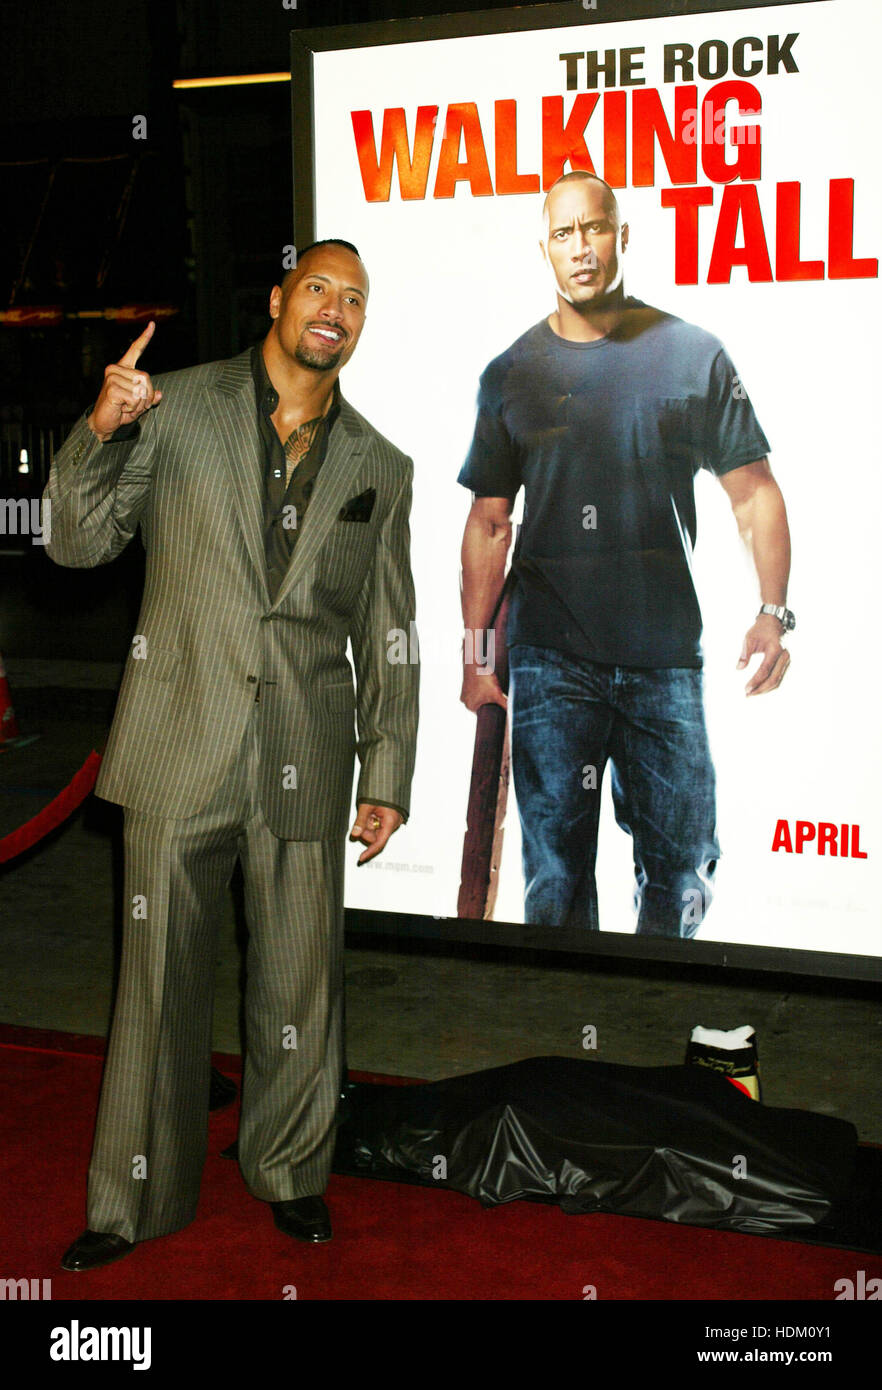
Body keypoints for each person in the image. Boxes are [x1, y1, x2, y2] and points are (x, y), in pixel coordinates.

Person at [45, 238, 419, 1269]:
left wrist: (388, 770)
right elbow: (74, 542)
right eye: (318, 289)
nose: (334, 309)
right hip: (178, 743)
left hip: (307, 750)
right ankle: (130, 1199)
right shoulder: (176, 407)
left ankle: (292, 1171)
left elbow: (391, 628)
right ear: (278, 298)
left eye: (355, 297)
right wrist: (99, 428)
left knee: (301, 982)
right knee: (157, 981)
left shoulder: (379, 465)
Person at [458, 172, 792, 938]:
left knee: (680, 872)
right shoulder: (511, 373)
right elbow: (488, 522)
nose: (582, 247)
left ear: (623, 236)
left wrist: (773, 611)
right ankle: (565, 1031)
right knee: (556, 878)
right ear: (544, 247)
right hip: (551, 658)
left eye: (596, 228)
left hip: (664, 656)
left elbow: (753, 491)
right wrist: (479, 656)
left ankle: (653, 1025)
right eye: (566, 233)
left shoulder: (692, 354)